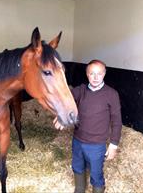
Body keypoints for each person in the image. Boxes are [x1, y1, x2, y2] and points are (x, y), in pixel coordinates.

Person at [53, 59, 122, 193]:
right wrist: (62, 116)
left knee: (96, 174)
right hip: (78, 141)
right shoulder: (81, 90)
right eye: (92, 74)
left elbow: (117, 121)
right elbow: (65, 100)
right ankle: (79, 189)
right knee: (77, 167)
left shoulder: (111, 94)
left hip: (97, 145)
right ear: (87, 74)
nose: (95, 77)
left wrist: (114, 145)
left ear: (104, 74)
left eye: (99, 74)